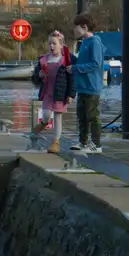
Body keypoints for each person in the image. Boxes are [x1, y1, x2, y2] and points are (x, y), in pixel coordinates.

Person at [31, 30, 74, 155]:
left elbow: (72, 79)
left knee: (58, 116)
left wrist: (71, 94)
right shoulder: (43, 60)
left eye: (54, 43)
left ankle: (56, 142)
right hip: (47, 92)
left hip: (61, 92)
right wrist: (38, 76)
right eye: (50, 43)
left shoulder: (66, 61)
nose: (51, 46)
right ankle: (44, 123)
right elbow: (35, 79)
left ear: (61, 45)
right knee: (46, 114)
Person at [68, 14, 105, 153]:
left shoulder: (94, 42)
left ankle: (97, 145)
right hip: (82, 86)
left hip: (91, 86)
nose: (74, 30)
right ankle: (83, 142)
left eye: (76, 27)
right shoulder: (84, 42)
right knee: (82, 116)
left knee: (93, 116)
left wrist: (76, 68)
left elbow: (95, 63)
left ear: (84, 27)